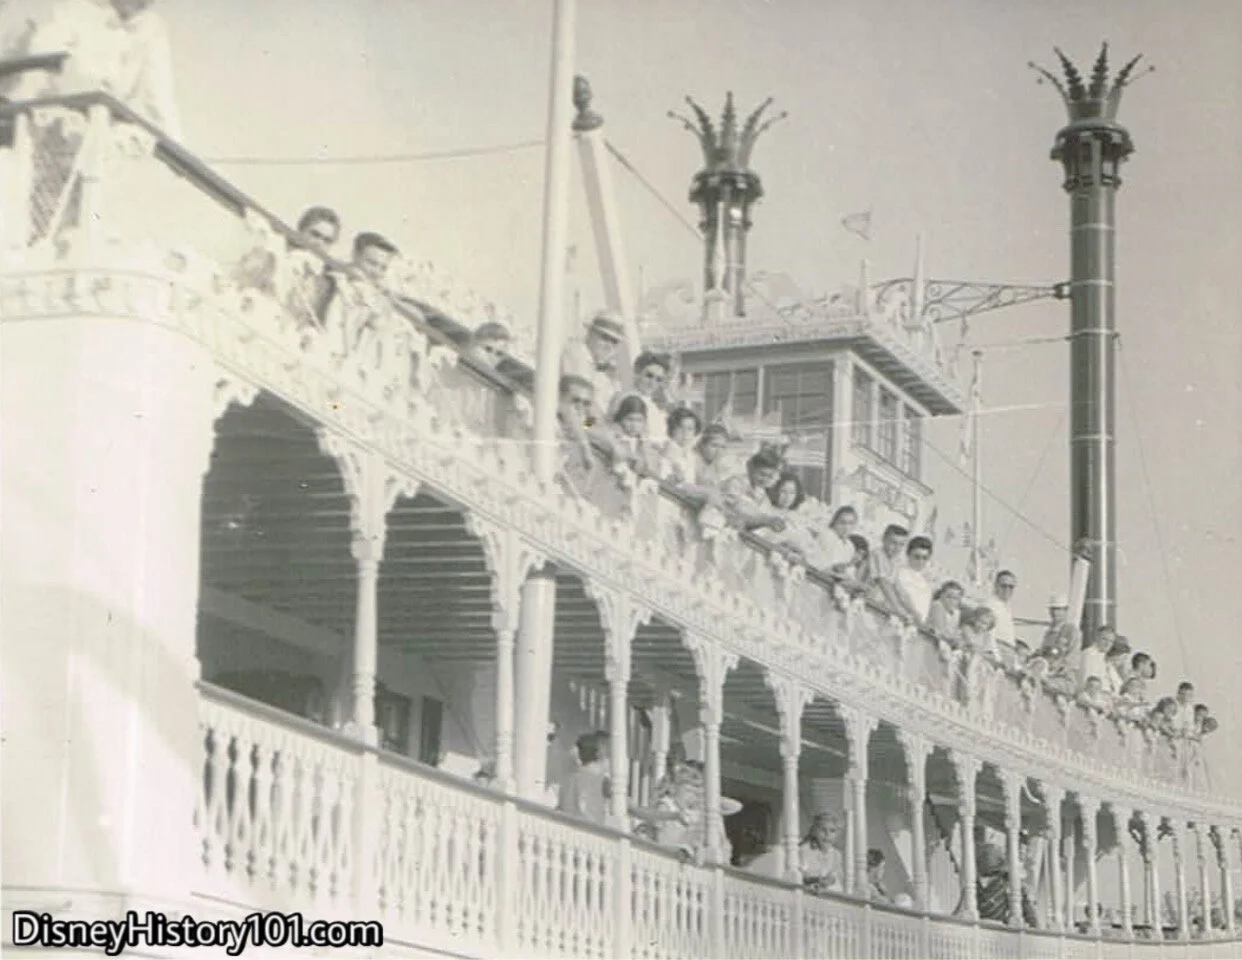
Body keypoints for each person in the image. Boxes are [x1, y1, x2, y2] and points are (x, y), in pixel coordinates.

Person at [561, 311, 628, 422]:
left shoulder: (603, 369)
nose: (609, 345)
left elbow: (616, 406)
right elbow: (585, 402)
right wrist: (604, 430)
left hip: (592, 425)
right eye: (605, 338)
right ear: (590, 333)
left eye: (614, 342)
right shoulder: (577, 354)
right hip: (576, 424)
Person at [556, 731, 611, 827]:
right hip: (591, 831)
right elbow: (626, 805)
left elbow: (560, 808)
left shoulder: (568, 779)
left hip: (568, 830)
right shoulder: (602, 779)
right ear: (598, 753)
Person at [799, 812, 846, 896]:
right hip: (808, 891)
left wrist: (832, 880)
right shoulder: (805, 850)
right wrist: (816, 880)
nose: (827, 835)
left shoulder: (836, 854)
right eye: (823, 830)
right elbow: (802, 875)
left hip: (827, 893)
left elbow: (837, 877)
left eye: (832, 831)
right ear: (814, 831)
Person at [893, 536, 935, 627]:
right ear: (908, 554)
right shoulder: (899, 573)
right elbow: (903, 596)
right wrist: (915, 615)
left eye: (925, 558)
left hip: (914, 628)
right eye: (917, 557)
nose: (920, 561)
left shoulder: (926, 583)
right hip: (897, 622)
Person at [985, 570, 1019, 649]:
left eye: (1011, 587)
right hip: (998, 650)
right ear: (996, 586)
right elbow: (989, 636)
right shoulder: (990, 606)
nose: (1007, 589)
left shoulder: (1005, 607)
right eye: (1004, 586)